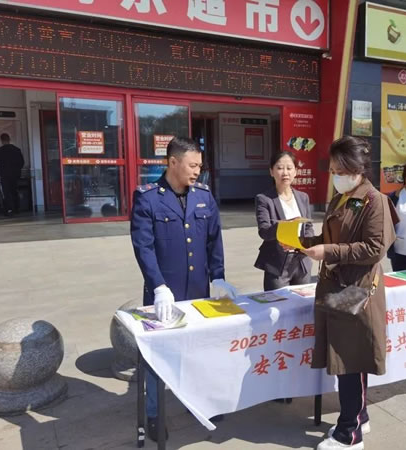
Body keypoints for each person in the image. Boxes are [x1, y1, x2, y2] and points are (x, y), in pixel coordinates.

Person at [130, 137, 237, 442]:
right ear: (173, 162)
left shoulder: (203, 196)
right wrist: (158, 286)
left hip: (199, 291)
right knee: (156, 358)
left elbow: (214, 240)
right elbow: (144, 247)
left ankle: (198, 402)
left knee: (199, 349)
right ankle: (153, 414)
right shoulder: (148, 198)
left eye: (200, 166)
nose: (197, 171)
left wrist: (218, 277)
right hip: (164, 295)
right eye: (192, 165)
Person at [300, 136, 397, 450]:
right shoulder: (342, 198)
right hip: (337, 287)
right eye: (332, 170)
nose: (336, 176)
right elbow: (333, 236)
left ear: (358, 168)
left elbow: (374, 248)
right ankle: (359, 418)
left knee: (350, 359)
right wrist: (305, 243)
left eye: (341, 170)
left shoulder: (374, 200)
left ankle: (349, 435)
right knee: (346, 356)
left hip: (356, 290)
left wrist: (328, 251)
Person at [255, 151, 313, 291]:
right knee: (277, 302)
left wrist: (307, 243)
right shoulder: (264, 199)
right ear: (271, 171)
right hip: (278, 265)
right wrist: (286, 226)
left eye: (289, 168)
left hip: (302, 262)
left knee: (303, 302)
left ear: (295, 171)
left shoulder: (303, 197)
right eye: (280, 168)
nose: (285, 173)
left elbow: (308, 226)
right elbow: (264, 231)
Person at [0, 133, 24, 216]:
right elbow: (21, 162)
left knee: (6, 192)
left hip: (4, 175)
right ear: (9, 139)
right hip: (15, 174)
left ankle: (8, 209)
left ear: (2, 140)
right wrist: (16, 170)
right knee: (14, 191)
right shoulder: (17, 150)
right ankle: (17, 208)